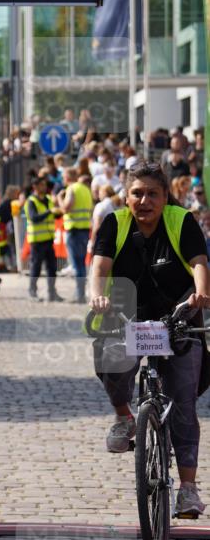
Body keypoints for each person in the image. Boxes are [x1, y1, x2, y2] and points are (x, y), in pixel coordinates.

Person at [89, 160, 210, 517]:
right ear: (126, 197)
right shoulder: (114, 223)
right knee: (110, 358)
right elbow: (100, 267)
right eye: (137, 194)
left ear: (165, 196)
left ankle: (188, 489)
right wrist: (97, 296)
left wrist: (202, 293)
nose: (145, 201)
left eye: (153, 194)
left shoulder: (181, 220)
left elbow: (199, 262)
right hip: (129, 316)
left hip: (179, 316)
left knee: (183, 405)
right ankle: (124, 416)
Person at [25, 173, 63, 302]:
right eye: (41, 185)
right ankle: (32, 291)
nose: (44, 187)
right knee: (36, 267)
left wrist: (58, 212)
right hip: (37, 241)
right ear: (35, 186)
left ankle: (52, 293)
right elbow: (34, 218)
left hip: (49, 239)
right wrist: (49, 212)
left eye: (45, 185)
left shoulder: (48, 199)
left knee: (52, 267)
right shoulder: (31, 201)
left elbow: (54, 216)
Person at [58, 166, 93, 303]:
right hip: (84, 229)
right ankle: (80, 294)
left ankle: (79, 295)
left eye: (63, 177)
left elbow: (66, 208)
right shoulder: (85, 189)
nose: (62, 180)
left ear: (67, 177)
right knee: (81, 263)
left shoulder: (71, 188)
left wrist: (59, 199)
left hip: (73, 230)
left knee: (76, 264)